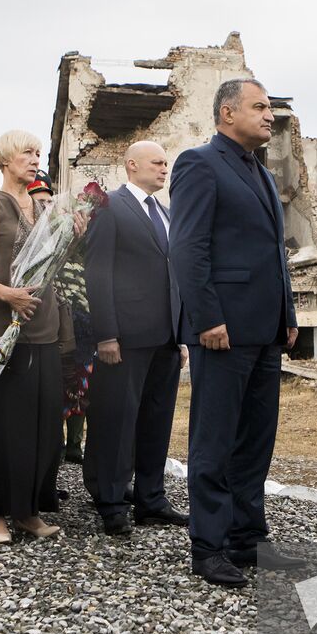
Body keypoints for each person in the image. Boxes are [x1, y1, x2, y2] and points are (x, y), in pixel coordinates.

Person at [169, 78, 304, 587]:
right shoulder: (199, 164)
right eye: (260, 107)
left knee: (255, 440)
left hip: (265, 329)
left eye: (270, 108)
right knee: (215, 439)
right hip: (221, 329)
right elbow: (187, 248)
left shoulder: (261, 172)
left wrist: (287, 314)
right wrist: (206, 318)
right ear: (227, 113)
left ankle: (247, 540)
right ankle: (208, 547)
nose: (270, 116)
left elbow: (275, 252)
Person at [0, 130, 74, 543]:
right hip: (2, 328)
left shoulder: (46, 207)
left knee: (44, 425)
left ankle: (28, 510)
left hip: (44, 327)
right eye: (27, 153)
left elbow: (57, 264)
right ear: (6, 160)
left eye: (37, 153)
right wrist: (7, 293)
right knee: (1, 424)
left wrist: (73, 230)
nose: (35, 159)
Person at [83, 141, 188, 535]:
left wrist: (181, 336)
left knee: (156, 422)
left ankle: (151, 499)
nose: (164, 169)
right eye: (157, 163)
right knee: (117, 420)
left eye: (166, 163)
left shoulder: (166, 212)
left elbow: (174, 276)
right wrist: (106, 333)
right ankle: (111, 501)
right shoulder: (109, 206)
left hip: (165, 338)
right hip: (124, 338)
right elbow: (98, 271)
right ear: (132, 165)